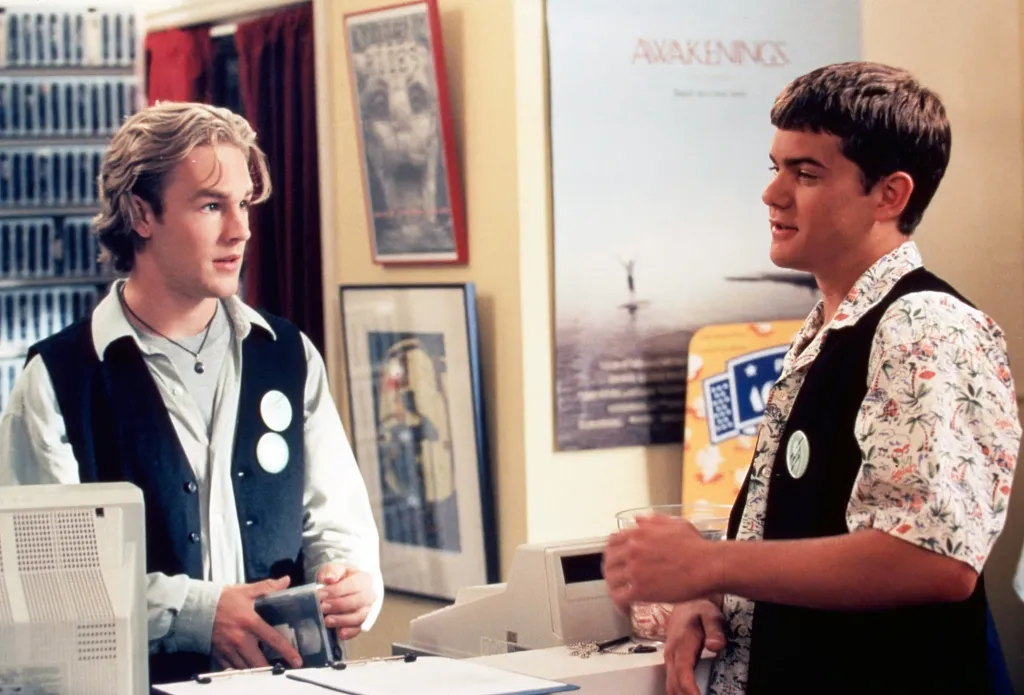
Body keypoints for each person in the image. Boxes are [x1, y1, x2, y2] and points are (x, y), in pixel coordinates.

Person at [603, 62, 1021, 695]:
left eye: (806, 173)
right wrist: (713, 598)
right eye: (775, 168)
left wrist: (707, 561)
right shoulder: (834, 325)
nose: (773, 194)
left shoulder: (926, 326)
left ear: (890, 195)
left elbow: (931, 560)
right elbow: (805, 538)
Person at [0, 102, 384, 686]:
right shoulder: (59, 378)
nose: (241, 229)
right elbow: (48, 587)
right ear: (140, 214)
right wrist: (196, 615)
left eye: (245, 203)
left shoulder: (288, 354)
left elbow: (337, 522)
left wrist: (350, 581)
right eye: (211, 205)